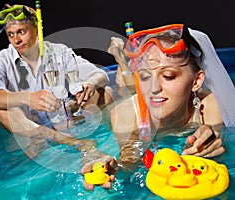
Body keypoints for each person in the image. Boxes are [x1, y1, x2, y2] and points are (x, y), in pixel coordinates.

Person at [81, 23, 235, 190]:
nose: (154, 88)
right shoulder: (124, 116)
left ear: (196, 81)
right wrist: (111, 168)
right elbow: (130, 165)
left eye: (168, 76)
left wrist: (219, 147)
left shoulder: (212, 108)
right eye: (146, 76)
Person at [0, 4, 113, 158]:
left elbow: (100, 75)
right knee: (2, 111)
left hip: (63, 120)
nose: (16, 40)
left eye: (21, 32)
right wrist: (28, 98)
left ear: (37, 30)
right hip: (32, 132)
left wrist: (90, 84)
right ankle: (76, 143)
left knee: (105, 93)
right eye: (11, 34)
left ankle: (109, 139)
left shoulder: (59, 52)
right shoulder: (1, 60)